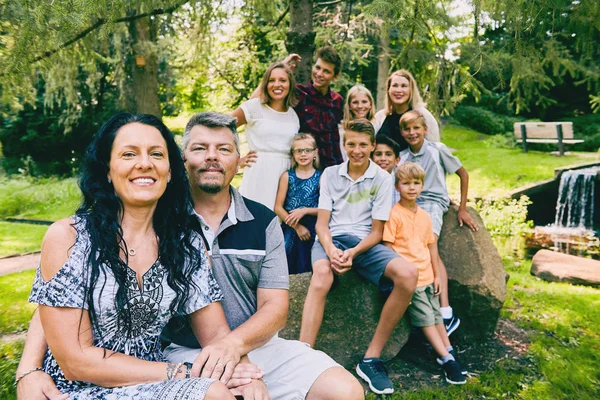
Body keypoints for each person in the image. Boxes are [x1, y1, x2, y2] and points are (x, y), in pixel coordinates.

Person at [19, 113, 239, 399]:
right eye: (129, 154)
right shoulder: (70, 238)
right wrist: (178, 372)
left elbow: (217, 337)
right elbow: (76, 362)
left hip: (151, 381)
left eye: (156, 154)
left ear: (170, 171)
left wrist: (248, 375)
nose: (144, 163)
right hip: (72, 390)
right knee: (214, 393)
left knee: (222, 390)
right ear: (108, 170)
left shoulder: (186, 243)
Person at [162, 112, 364, 399]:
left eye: (223, 149)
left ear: (238, 159)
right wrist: (234, 361)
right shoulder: (165, 219)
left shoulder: (263, 221)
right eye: (199, 148)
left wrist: (235, 348)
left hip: (258, 346)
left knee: (345, 391)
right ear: (183, 158)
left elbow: (275, 307)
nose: (212, 157)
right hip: (186, 350)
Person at [299, 118, 418, 395]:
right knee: (321, 276)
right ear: (344, 144)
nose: (357, 150)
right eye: (351, 144)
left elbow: (377, 232)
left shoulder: (383, 178)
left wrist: (352, 253)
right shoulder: (330, 174)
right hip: (330, 239)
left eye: (363, 145)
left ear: (373, 146)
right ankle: (303, 357)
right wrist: (331, 251)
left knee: (408, 274)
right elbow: (321, 225)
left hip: (363, 243)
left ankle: (371, 359)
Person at [383, 162, 467, 385]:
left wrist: (438, 276)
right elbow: (388, 247)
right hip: (413, 280)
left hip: (429, 276)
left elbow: (431, 248)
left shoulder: (424, 216)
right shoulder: (394, 214)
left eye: (416, 183)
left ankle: (448, 349)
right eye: (406, 183)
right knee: (426, 319)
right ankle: (447, 359)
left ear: (422, 185)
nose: (412, 188)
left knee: (437, 316)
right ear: (397, 186)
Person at [398, 110, 479, 334]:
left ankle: (446, 311)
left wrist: (462, 208)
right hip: (410, 204)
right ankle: (418, 306)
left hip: (433, 203)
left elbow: (463, 174)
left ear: (425, 129)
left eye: (416, 128)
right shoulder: (403, 156)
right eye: (407, 129)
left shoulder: (438, 150)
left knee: (428, 246)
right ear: (402, 132)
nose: (412, 132)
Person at [233, 62, 300, 210]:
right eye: (271, 80)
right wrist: (238, 159)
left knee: (278, 224)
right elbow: (224, 127)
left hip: (285, 174)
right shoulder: (254, 107)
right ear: (265, 84)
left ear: (290, 84)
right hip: (259, 172)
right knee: (254, 218)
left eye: (282, 80)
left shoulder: (293, 115)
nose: (277, 84)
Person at [283, 46, 344, 168]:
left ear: (335, 76)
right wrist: (283, 66)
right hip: (306, 169)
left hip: (333, 167)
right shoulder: (298, 94)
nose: (319, 74)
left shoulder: (337, 101)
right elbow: (261, 96)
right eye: (318, 68)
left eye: (326, 71)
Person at [274, 134, 322, 275]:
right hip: (291, 224)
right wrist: (297, 227)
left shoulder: (321, 177)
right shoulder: (287, 176)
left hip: (313, 224)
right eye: (298, 151)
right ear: (293, 154)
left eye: (307, 150)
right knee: (284, 256)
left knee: (309, 260)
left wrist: (305, 211)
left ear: (315, 152)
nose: (303, 154)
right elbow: (278, 207)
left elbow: (326, 208)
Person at [374, 70, 440, 150]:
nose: (398, 90)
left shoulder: (424, 116)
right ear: (388, 90)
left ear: (411, 90)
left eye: (404, 86)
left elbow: (434, 149)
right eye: (395, 85)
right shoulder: (380, 116)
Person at [339, 84, 377, 161]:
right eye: (355, 102)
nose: (360, 106)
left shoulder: (377, 125)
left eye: (364, 102)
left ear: (370, 104)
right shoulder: (342, 130)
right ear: (349, 105)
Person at [371, 135, 402, 204]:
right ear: (371, 159)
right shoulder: (366, 182)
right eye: (378, 154)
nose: (383, 158)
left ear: (397, 160)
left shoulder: (402, 182)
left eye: (388, 154)